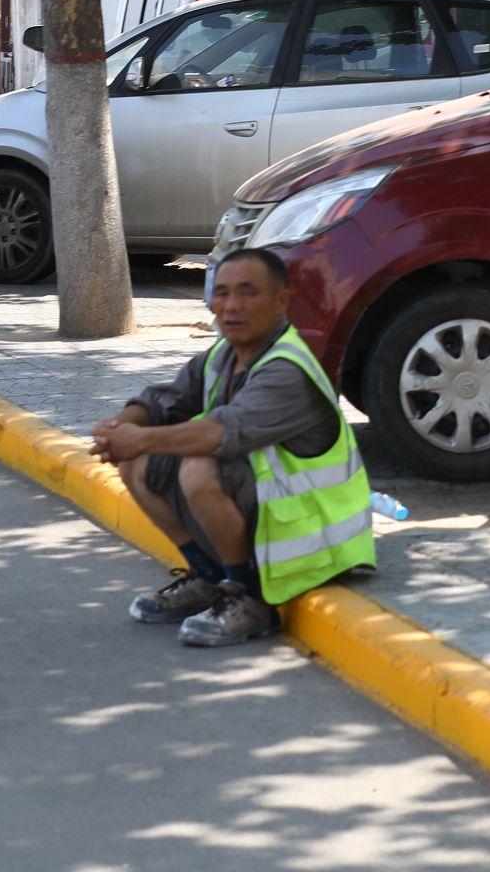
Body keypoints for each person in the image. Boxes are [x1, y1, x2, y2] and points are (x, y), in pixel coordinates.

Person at [90, 246, 375, 646]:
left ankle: (250, 599)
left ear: (281, 301)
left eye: (247, 292)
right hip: (274, 522)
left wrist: (137, 437)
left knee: (197, 464)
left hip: (318, 541)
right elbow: (162, 400)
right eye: (221, 293)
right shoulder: (223, 356)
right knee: (135, 462)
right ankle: (208, 578)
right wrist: (118, 429)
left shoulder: (288, 369)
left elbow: (220, 432)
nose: (231, 306)